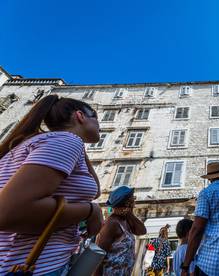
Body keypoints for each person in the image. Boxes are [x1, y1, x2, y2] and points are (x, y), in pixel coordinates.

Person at [0, 95, 104, 275]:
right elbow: (9, 212)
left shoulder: (59, 141)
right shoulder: (65, 141)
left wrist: (80, 143)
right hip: (26, 264)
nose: (99, 125)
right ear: (80, 116)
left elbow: (95, 191)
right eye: (96, 117)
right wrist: (90, 211)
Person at [95, 186, 146, 276]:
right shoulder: (112, 223)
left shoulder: (126, 220)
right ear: (128, 203)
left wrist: (129, 213)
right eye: (133, 200)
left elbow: (141, 231)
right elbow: (99, 255)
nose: (135, 203)